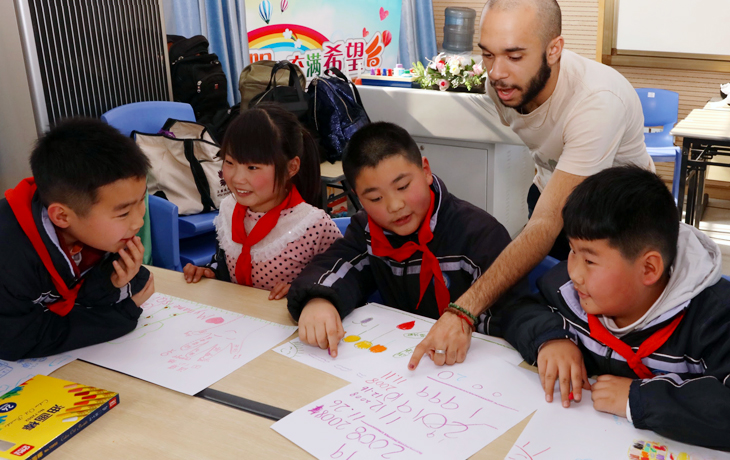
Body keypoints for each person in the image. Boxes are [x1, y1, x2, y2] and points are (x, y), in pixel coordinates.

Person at [408, 0, 654, 370]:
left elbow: (544, 225)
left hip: (621, 219)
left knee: (611, 333)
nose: (497, 73)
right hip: (552, 189)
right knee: (544, 298)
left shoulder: (597, 103)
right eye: (488, 55)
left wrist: (463, 310)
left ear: (554, 49)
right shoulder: (504, 84)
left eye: (514, 56)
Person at [501, 166, 730, 451]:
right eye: (572, 251)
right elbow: (515, 309)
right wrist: (550, 338)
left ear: (649, 268)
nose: (574, 273)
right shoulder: (570, 289)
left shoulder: (715, 319)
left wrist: (640, 400)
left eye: (590, 261)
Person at [288, 122, 520, 359]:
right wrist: (319, 299)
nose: (394, 206)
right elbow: (334, 266)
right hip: (403, 361)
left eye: (403, 186)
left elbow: (513, 314)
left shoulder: (479, 233)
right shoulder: (367, 231)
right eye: (376, 198)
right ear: (358, 197)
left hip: (471, 365)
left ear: (426, 171)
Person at [0, 118, 155, 360]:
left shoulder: (96, 230)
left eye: (141, 202)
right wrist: (118, 318)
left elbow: (136, 282)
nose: (138, 222)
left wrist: (111, 285)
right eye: (123, 213)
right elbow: (15, 339)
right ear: (62, 216)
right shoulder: (10, 257)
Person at [183, 103, 341, 300]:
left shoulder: (313, 226)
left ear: (291, 168)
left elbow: (343, 281)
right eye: (230, 162)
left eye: (253, 167)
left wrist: (307, 290)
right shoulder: (229, 209)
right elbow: (225, 264)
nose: (237, 178)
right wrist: (211, 272)